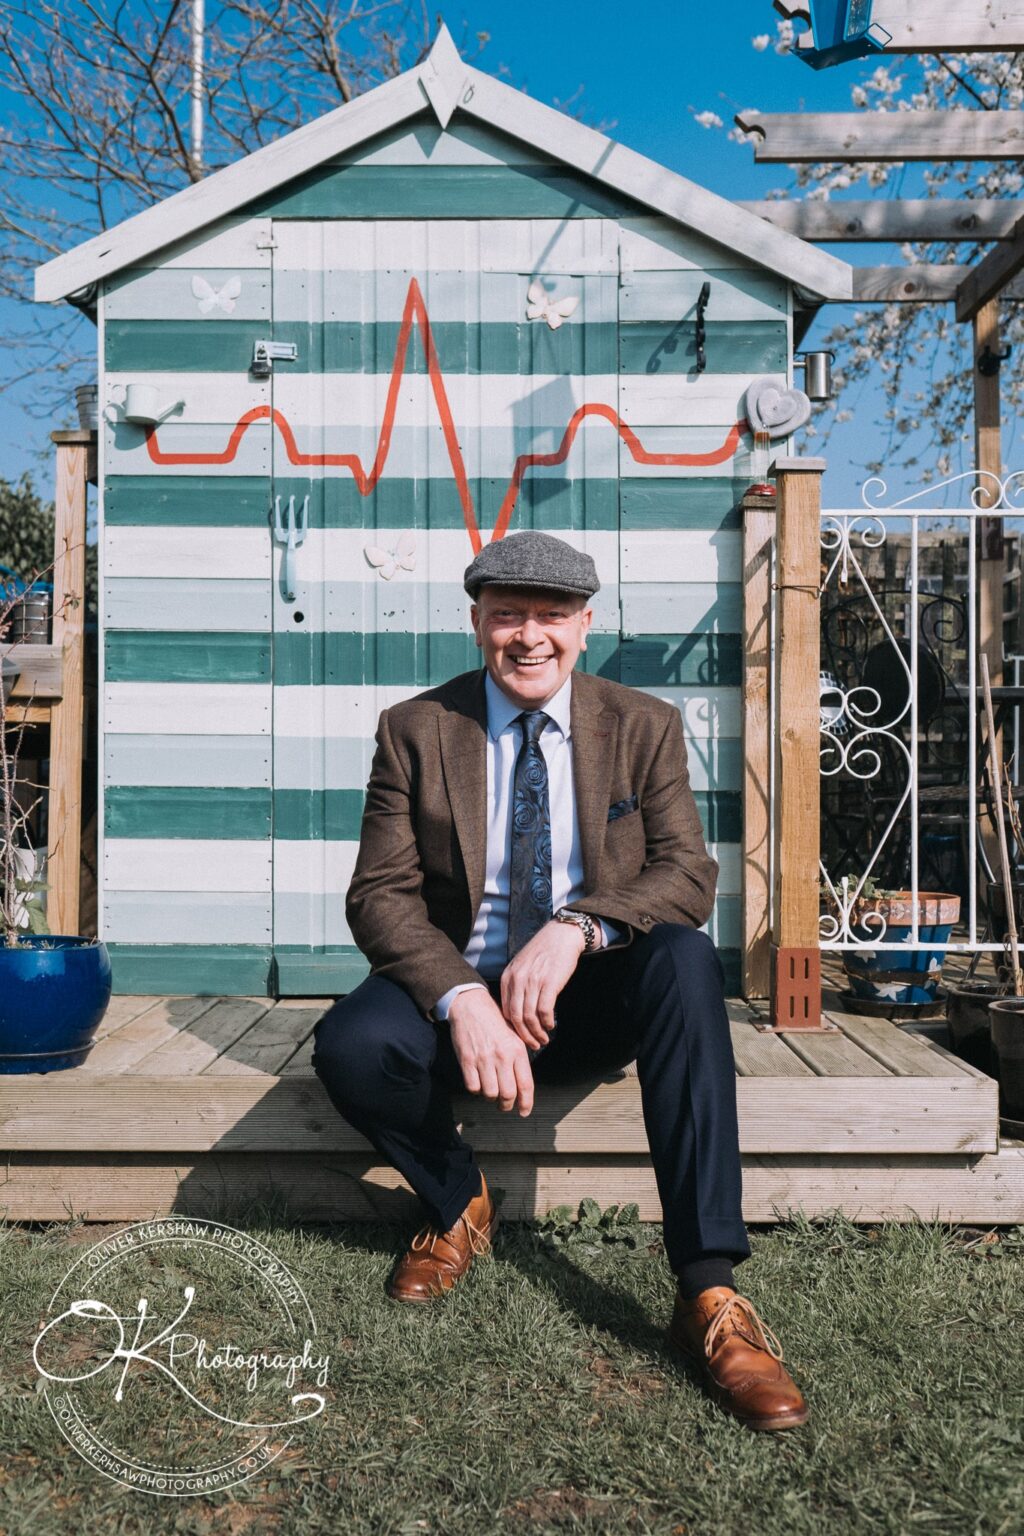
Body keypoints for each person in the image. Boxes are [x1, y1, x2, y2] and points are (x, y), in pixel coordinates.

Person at [312, 530, 808, 1432]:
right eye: (508, 615)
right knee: (351, 1044)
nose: (529, 635)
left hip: (591, 995)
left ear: (585, 626)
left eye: (552, 615)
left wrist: (577, 927)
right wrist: (463, 996)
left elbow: (688, 875)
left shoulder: (642, 724)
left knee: (685, 958)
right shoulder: (416, 729)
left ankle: (709, 1291)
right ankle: (457, 1201)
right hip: (465, 995)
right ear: (477, 623)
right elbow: (379, 895)